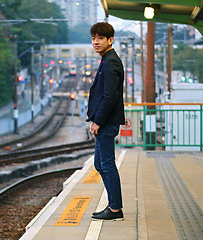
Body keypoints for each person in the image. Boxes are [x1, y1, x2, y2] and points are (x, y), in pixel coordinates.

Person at [87, 22, 125, 221]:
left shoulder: (110, 62)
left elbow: (109, 96)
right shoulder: (106, 60)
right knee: (100, 164)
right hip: (104, 122)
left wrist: (98, 121)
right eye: (93, 38)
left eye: (100, 38)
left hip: (106, 123)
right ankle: (113, 205)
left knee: (107, 164)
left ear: (110, 40)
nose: (96, 42)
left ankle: (115, 208)